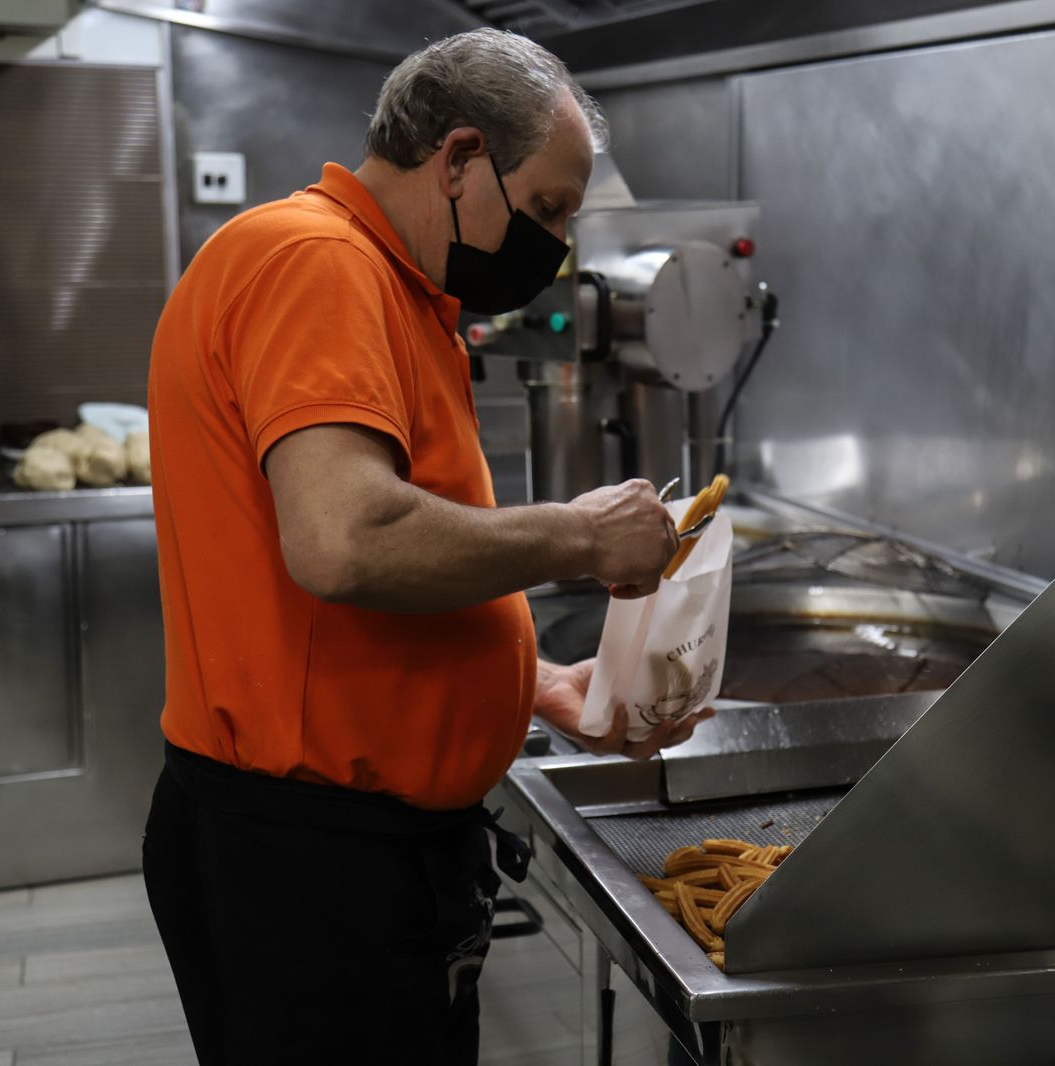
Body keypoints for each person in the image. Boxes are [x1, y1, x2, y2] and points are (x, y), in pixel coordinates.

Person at [140, 28, 714, 1066]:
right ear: (455, 159)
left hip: (348, 845)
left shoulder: (392, 286)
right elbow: (346, 540)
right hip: (309, 860)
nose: (552, 249)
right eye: (543, 208)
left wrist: (527, 681)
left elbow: (337, 594)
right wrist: (586, 536)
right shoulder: (317, 262)